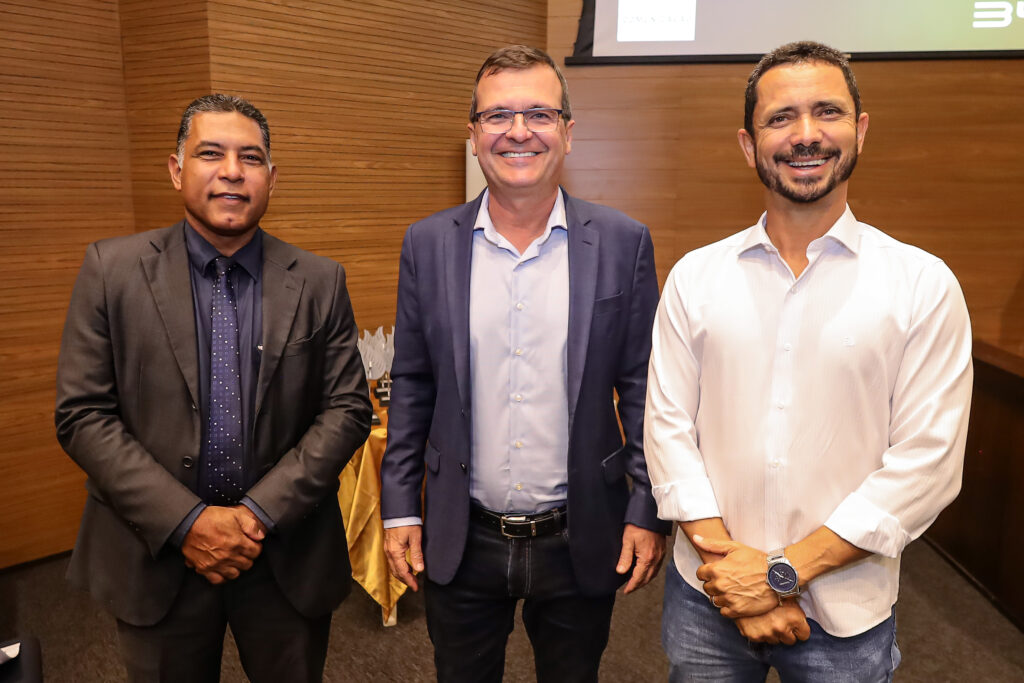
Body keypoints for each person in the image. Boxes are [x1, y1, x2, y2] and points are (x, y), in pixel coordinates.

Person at [644, 41, 973, 682]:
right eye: (780, 118)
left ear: (860, 130)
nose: (805, 135)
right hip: (708, 595)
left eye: (827, 112)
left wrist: (779, 574)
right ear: (749, 145)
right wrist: (734, 577)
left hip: (845, 611)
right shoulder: (695, 277)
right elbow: (668, 432)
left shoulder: (922, 284)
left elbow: (928, 462)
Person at [55, 94, 372, 682]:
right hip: (155, 554)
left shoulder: (319, 280)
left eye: (250, 157)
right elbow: (83, 415)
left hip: (284, 555)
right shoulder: (111, 270)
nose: (232, 171)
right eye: (211, 154)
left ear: (272, 178)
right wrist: (187, 522)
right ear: (177, 170)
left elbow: (348, 409)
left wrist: (256, 514)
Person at [380, 45, 670, 682]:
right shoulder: (427, 244)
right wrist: (401, 506)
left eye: (539, 114)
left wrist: (647, 506)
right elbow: (414, 384)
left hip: (580, 532)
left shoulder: (623, 242)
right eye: (497, 116)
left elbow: (645, 388)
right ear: (473, 133)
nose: (518, 132)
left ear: (567, 131)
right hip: (461, 532)